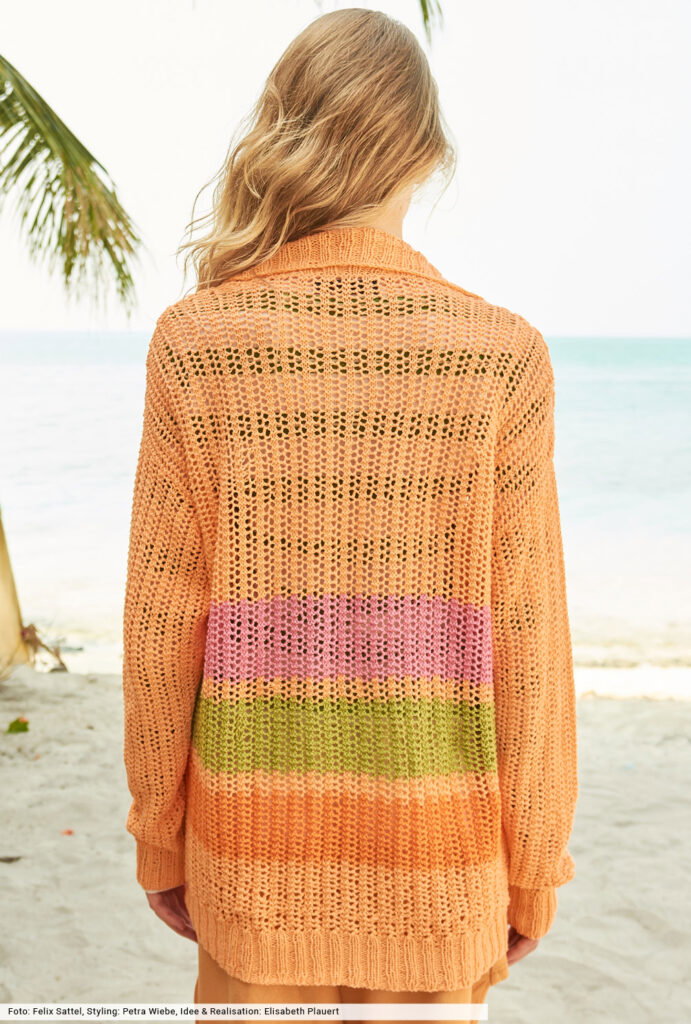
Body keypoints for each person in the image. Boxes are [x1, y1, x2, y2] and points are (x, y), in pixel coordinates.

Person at [121, 8, 579, 1023]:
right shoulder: (502, 358)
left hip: (247, 876)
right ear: (424, 155)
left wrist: (159, 834)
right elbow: (529, 641)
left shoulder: (196, 345)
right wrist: (534, 864)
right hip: (442, 884)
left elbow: (161, 631)